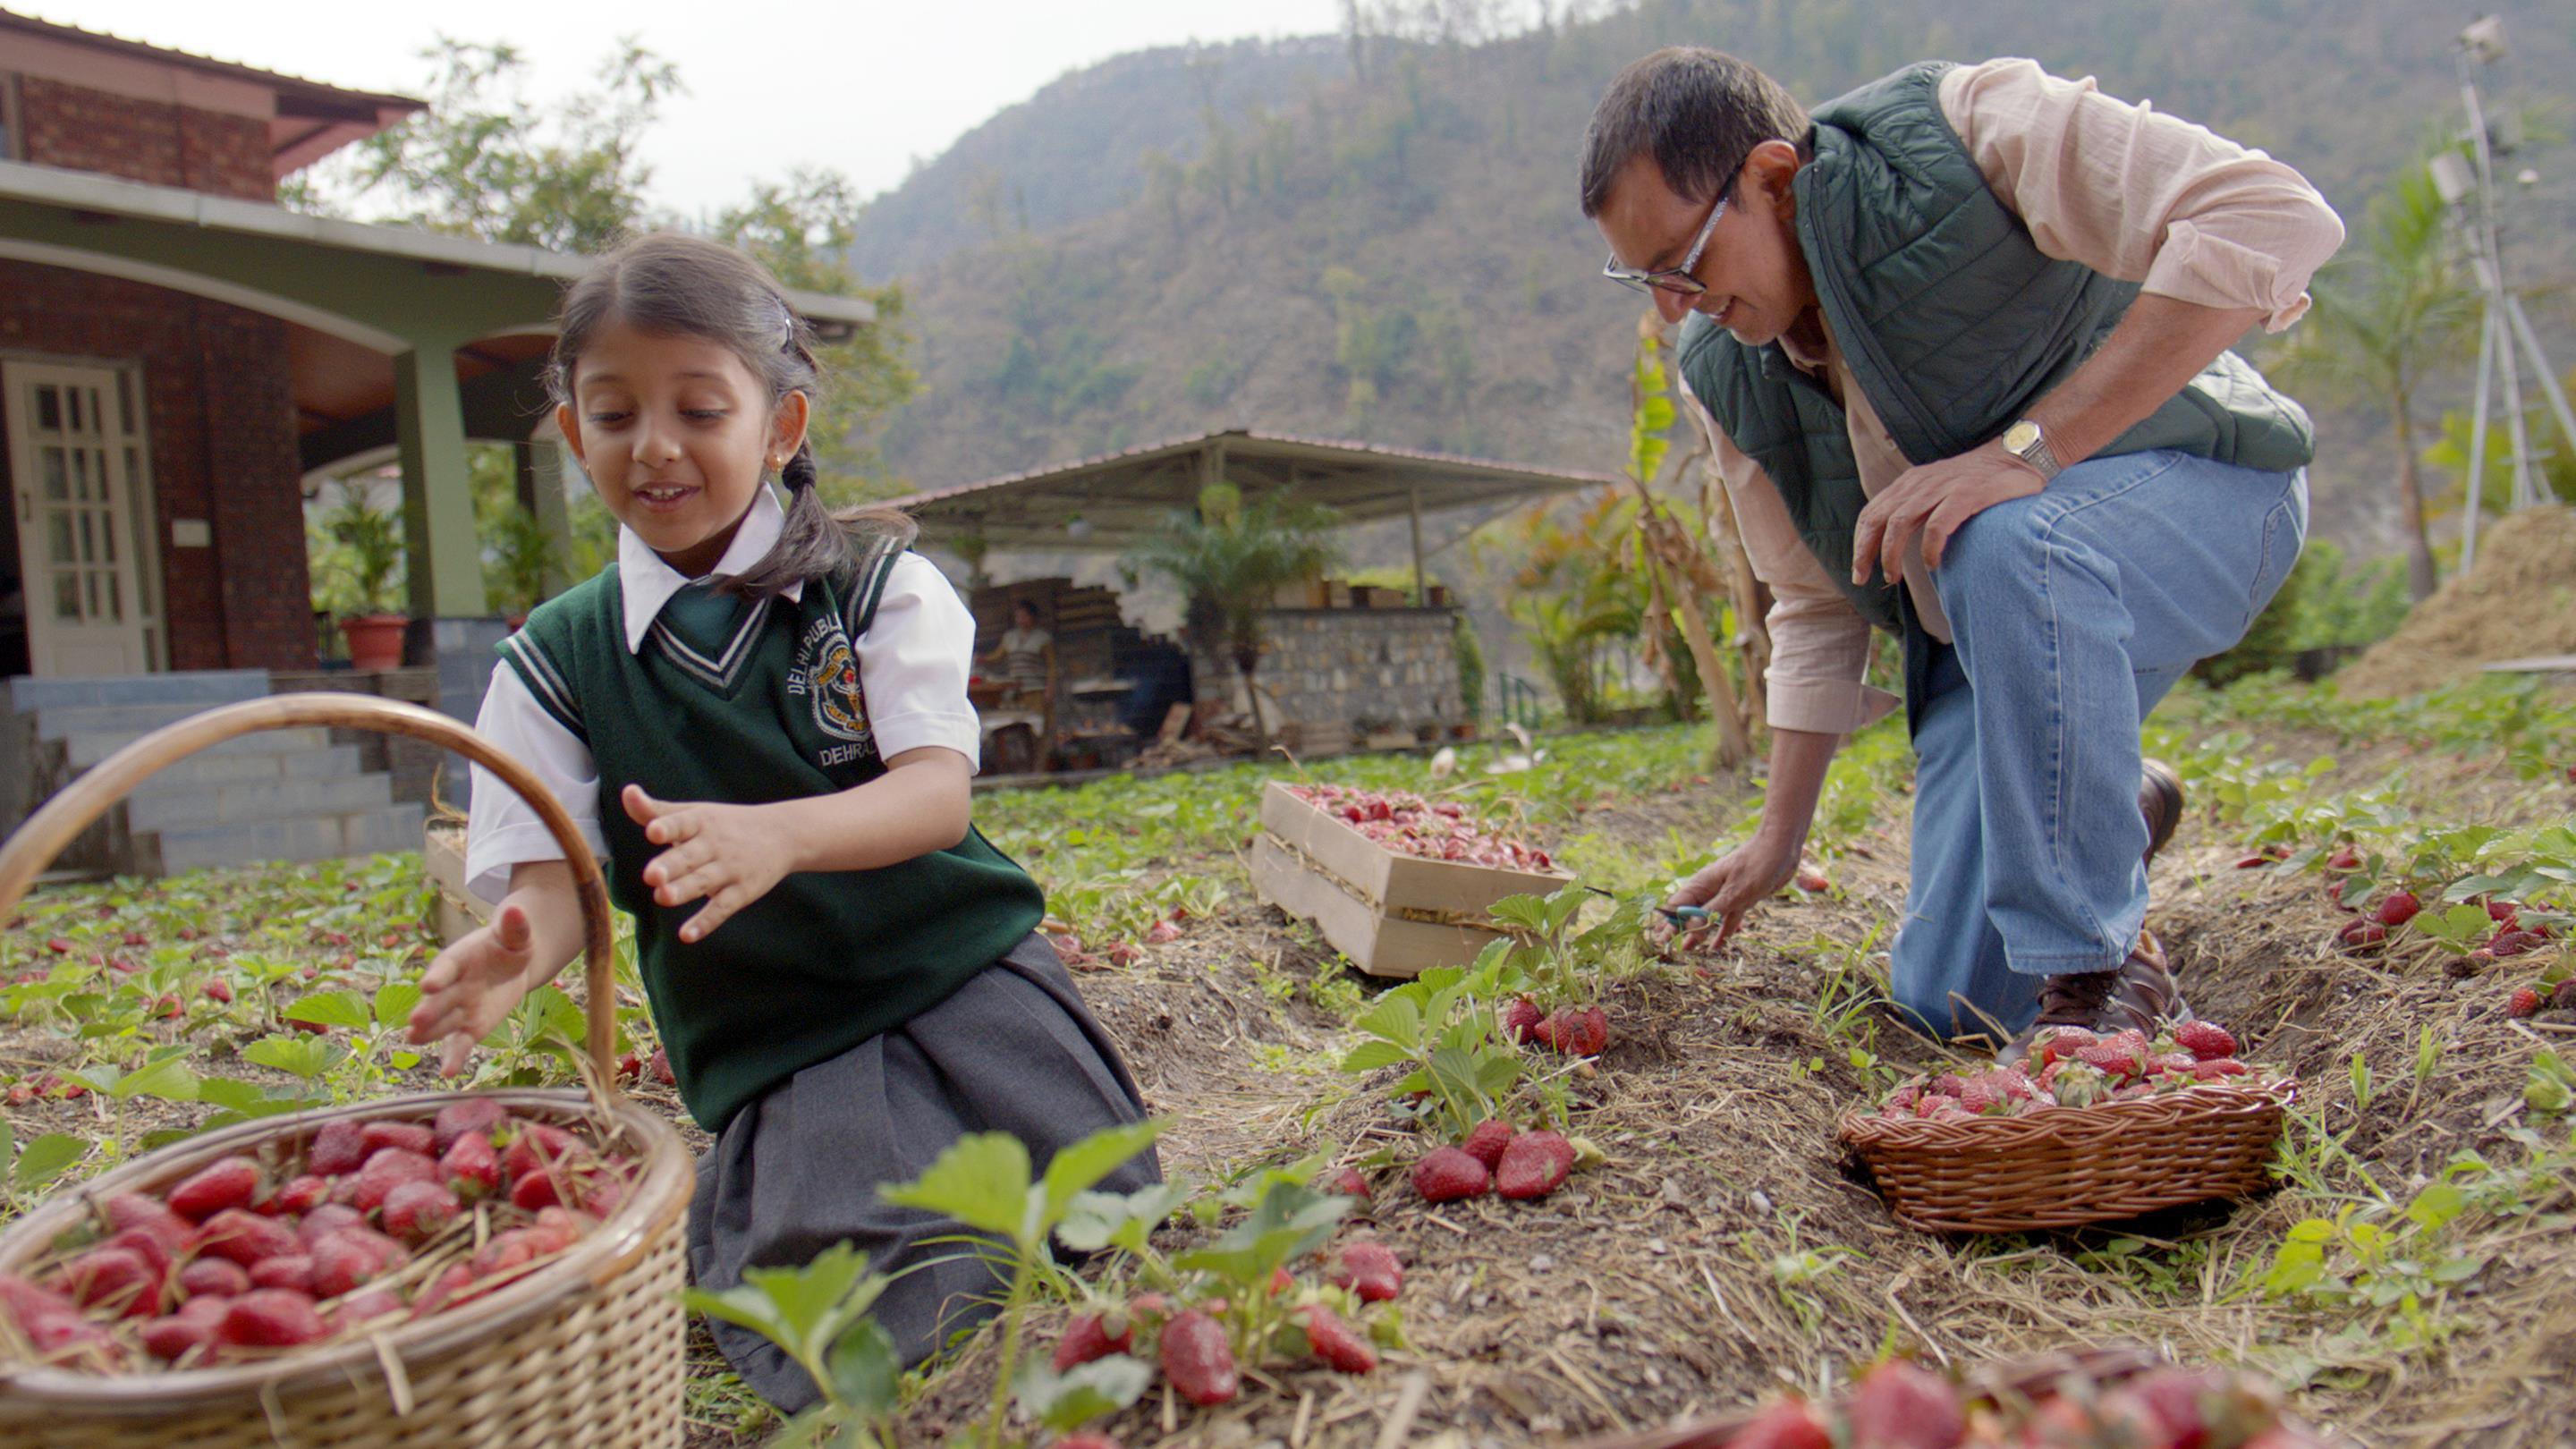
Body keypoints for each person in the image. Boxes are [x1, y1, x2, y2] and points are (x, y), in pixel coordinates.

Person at [402, 232, 1159, 1411]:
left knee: (1091, 1212)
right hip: (790, 1051)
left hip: (963, 994)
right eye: (614, 415)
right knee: (881, 1316)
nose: (655, 446)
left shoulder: (873, 587)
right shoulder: (556, 661)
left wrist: (783, 836)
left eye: (700, 409)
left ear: (781, 427)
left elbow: (934, 794)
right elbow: (552, 886)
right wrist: (517, 952)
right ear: (571, 436)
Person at [1581, 52, 2342, 1054]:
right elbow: (1814, 603)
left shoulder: (1968, 132)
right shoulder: (1727, 366)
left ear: (1774, 178)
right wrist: (1778, 841)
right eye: (1649, 280)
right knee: (1952, 1003)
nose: (1675, 303)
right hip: (2001, 621)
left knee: (1999, 534)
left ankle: (2098, 966)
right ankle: (2116, 798)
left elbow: (2273, 216)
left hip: (2205, 503)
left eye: (1685, 262)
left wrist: (2030, 450)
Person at [978, 597, 1055, 703]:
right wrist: (983, 659)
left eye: (1024, 616)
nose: (1021, 620)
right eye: (1018, 617)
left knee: (1037, 719)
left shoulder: (1043, 638)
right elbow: (997, 656)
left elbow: (1051, 666)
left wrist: (1049, 689)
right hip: (1016, 690)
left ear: (1033, 617)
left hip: (1036, 689)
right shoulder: (1009, 637)